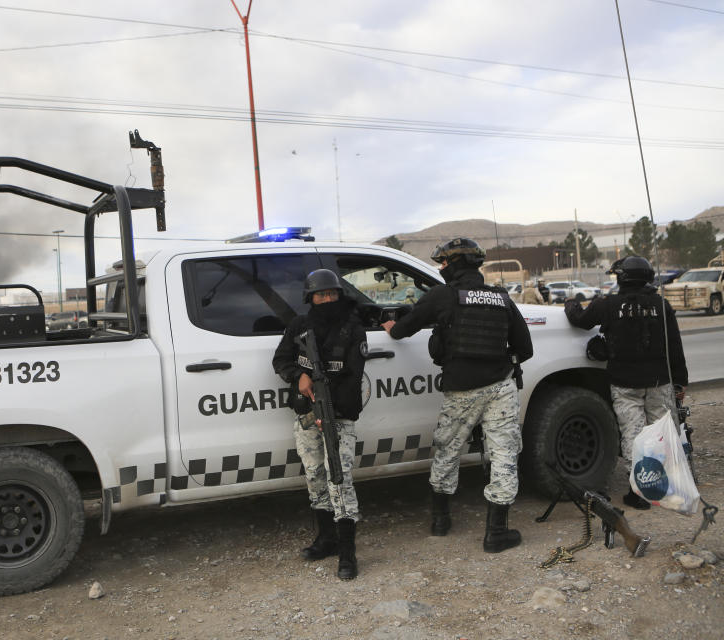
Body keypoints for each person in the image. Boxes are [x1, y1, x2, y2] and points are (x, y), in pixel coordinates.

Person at [380, 238, 533, 553]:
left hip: (460, 389)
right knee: (504, 456)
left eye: (444, 263)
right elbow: (525, 349)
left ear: (456, 264)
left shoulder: (442, 296)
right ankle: (496, 532)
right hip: (500, 387)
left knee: (447, 451)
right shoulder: (501, 298)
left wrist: (389, 325)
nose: (441, 268)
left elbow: (401, 331)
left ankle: (440, 521)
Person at [564, 255, 688, 510]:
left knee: (634, 436)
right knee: (663, 434)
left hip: (625, 384)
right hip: (659, 382)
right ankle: (668, 488)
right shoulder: (661, 305)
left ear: (621, 277)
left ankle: (640, 493)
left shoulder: (608, 304)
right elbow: (675, 346)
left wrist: (571, 305)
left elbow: (580, 320)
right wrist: (680, 383)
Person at [272, 269, 367, 579]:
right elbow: (281, 359)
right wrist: (297, 376)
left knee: (339, 479)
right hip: (306, 414)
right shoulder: (300, 326)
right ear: (310, 298)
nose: (327, 299)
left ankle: (348, 551)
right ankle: (326, 539)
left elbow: (353, 377)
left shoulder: (352, 328)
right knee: (314, 476)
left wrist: (330, 410)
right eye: (321, 295)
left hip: (336, 415)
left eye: (332, 294)